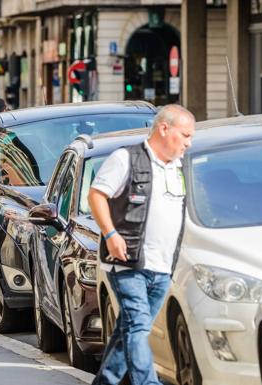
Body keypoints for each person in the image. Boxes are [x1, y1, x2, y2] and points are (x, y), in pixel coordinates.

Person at [87, 104, 195, 385]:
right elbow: (97, 195)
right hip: (129, 262)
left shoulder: (179, 167)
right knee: (137, 325)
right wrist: (111, 234)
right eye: (185, 135)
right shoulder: (126, 159)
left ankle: (105, 381)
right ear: (164, 129)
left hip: (163, 267)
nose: (188, 142)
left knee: (127, 331)